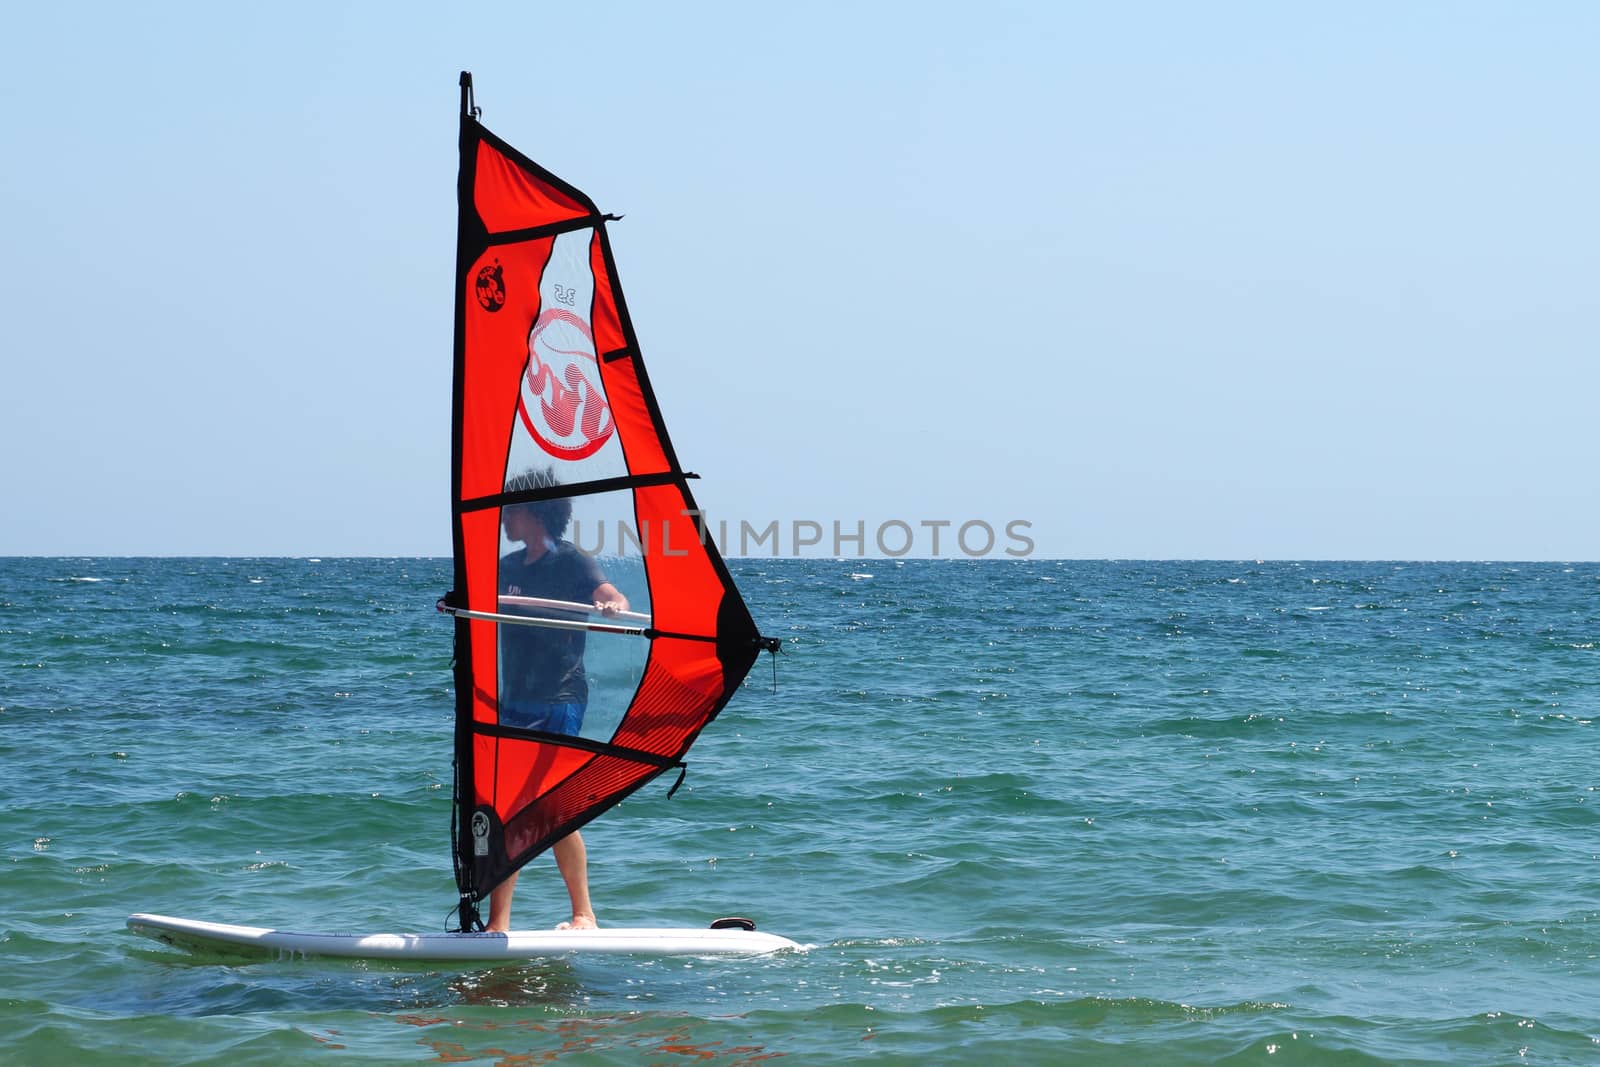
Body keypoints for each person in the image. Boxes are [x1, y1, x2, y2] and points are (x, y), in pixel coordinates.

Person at [489, 467, 629, 933]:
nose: (504, 517)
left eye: (511, 509)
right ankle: (497, 925)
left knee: (551, 807)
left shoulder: (571, 562)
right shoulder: (506, 568)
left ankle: (583, 914)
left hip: (560, 700)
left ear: (532, 513)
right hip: (515, 702)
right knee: (506, 811)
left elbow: (613, 596)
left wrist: (612, 606)